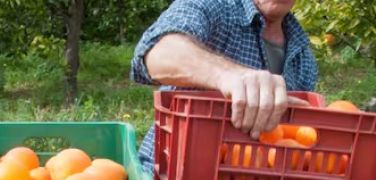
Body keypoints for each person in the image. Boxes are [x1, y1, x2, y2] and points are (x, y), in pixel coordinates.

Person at [131, 0, 318, 169]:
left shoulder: (303, 56)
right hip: (170, 176)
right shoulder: (216, 6)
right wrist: (229, 75)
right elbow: (158, 53)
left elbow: (298, 142)